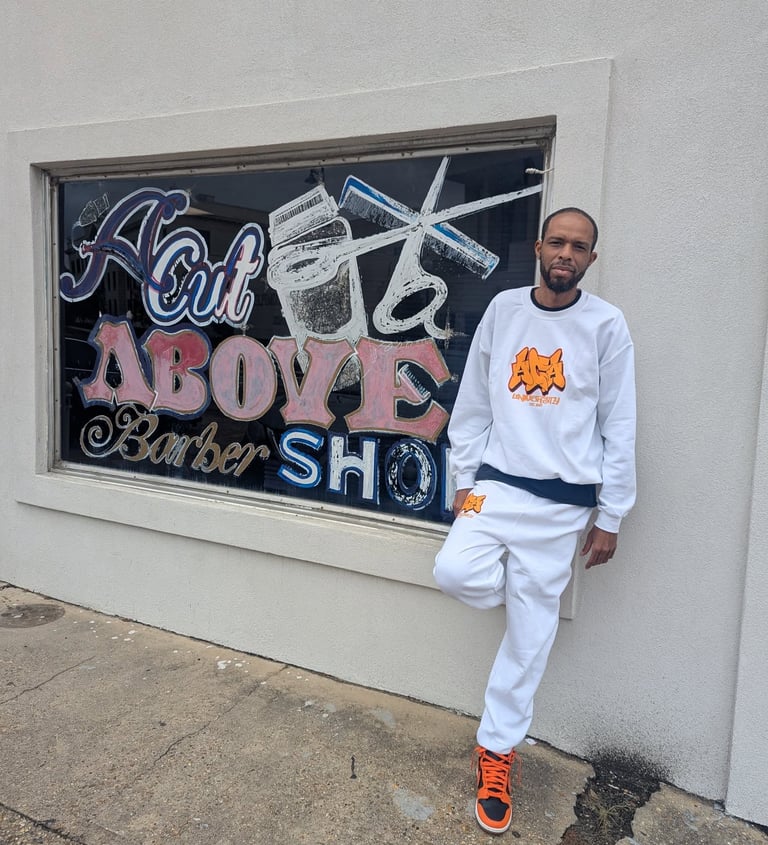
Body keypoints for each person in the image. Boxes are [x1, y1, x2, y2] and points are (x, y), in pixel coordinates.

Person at [433, 207, 636, 835]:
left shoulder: (606, 325)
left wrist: (612, 513)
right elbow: (472, 402)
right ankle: (523, 593)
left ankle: (496, 752)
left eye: (579, 246)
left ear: (591, 259)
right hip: (496, 488)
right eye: (558, 242)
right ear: (539, 246)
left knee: (528, 640)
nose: (566, 254)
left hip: (563, 505)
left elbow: (619, 422)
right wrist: (464, 481)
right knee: (454, 570)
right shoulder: (503, 310)